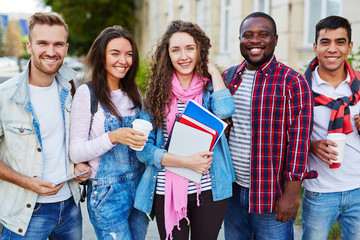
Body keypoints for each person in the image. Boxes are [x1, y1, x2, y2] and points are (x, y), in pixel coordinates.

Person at [133, 20, 235, 240]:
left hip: (210, 189)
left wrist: (213, 71)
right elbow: (143, 151)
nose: (183, 56)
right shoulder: (156, 95)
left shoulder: (210, 89)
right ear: (167, 54)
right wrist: (186, 162)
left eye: (190, 48)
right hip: (166, 192)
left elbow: (225, 109)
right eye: (176, 50)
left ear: (200, 51)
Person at [222, 12, 317, 239]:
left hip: (271, 192)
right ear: (240, 40)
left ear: (275, 39)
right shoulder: (229, 77)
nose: (255, 41)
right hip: (231, 189)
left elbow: (299, 140)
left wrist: (292, 194)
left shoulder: (293, 82)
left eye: (263, 35)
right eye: (248, 35)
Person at [0, 12, 90, 239]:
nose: (51, 52)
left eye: (58, 44)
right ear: (29, 46)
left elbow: (73, 140)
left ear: (66, 48)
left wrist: (80, 164)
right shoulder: (5, 95)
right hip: (25, 213)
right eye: (43, 43)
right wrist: (27, 182)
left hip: (69, 207)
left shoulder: (71, 89)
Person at [69, 25, 149, 240]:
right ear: (101, 56)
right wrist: (113, 137)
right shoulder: (87, 94)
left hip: (139, 187)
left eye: (129, 54)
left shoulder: (134, 93)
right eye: (115, 53)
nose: (123, 60)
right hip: (107, 194)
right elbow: (75, 152)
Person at [301, 16, 360, 239]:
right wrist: (311, 145)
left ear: (350, 46)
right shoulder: (301, 87)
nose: (332, 49)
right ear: (315, 47)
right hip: (319, 191)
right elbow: (287, 134)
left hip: (358, 188)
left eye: (340, 42)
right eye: (325, 42)